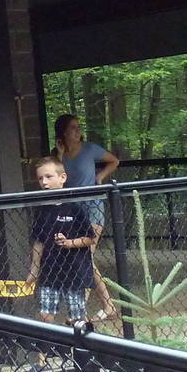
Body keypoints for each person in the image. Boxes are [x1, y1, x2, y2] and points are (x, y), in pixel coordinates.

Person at [53, 114, 120, 320]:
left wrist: (100, 176)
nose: (77, 130)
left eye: (78, 127)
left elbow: (113, 160)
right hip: (72, 212)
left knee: (85, 257)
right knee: (82, 259)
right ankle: (106, 306)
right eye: (73, 128)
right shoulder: (58, 154)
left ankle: (82, 311)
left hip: (93, 208)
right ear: (63, 132)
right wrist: (59, 154)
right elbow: (53, 176)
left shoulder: (90, 149)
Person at [23, 157, 98, 327]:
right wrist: (34, 270)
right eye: (40, 178)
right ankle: (46, 351)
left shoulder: (75, 207)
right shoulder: (41, 209)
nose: (44, 182)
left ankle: (82, 349)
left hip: (73, 271)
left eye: (49, 177)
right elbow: (38, 242)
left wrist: (70, 243)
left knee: (77, 318)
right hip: (49, 272)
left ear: (62, 178)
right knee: (44, 315)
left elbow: (89, 238)